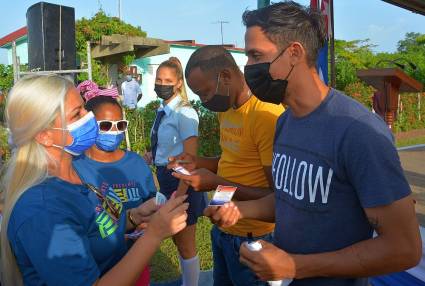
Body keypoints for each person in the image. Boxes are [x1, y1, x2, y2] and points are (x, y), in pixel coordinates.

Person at [204, 2, 421, 286]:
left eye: (256, 55)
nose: (249, 69)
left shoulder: (358, 132)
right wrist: (242, 210)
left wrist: (295, 266)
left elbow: (404, 248)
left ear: (294, 53)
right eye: (248, 57)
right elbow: (290, 198)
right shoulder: (285, 122)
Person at [0, 74, 189, 286]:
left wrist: (133, 217)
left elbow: (94, 229)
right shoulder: (43, 209)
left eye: (84, 108)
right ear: (44, 135)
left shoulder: (74, 175)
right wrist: (154, 235)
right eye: (77, 114)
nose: (89, 117)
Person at [169, 45, 284, 286]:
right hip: (224, 233)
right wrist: (199, 163)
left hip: (255, 238)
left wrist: (216, 183)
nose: (204, 101)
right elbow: (232, 161)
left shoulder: (265, 116)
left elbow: (278, 197)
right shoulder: (228, 108)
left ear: (226, 76)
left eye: (206, 92)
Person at [72, 95, 157, 285]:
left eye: (120, 125)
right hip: (95, 267)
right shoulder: (75, 168)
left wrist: (148, 223)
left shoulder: (136, 163)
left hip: (135, 259)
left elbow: (151, 203)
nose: (114, 131)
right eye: (106, 125)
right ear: (90, 125)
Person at [143, 57, 206, 286]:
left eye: (167, 80)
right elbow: (168, 146)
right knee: (178, 241)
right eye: (159, 79)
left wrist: (180, 193)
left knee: (186, 243)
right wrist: (153, 155)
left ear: (179, 83)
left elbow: (189, 160)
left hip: (181, 181)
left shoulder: (184, 113)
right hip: (166, 178)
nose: (162, 84)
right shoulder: (164, 109)